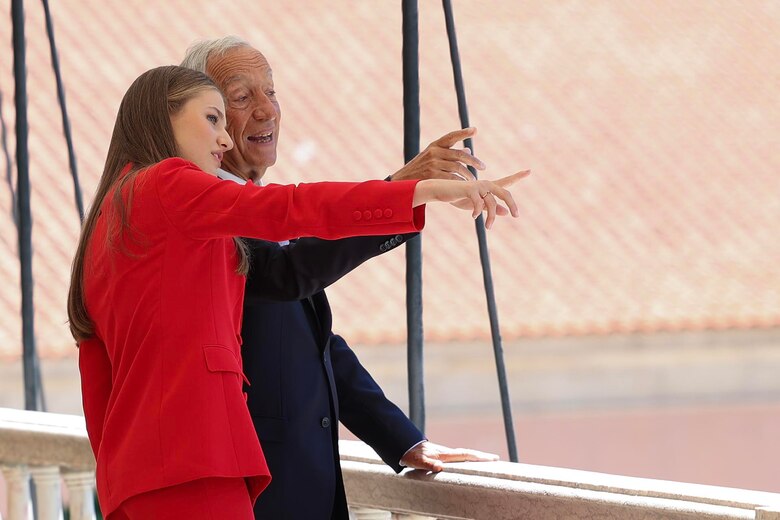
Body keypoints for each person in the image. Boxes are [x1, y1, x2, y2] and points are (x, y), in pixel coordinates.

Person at [68, 65, 522, 519]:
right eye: (213, 118)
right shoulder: (167, 184)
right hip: (194, 466)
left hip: (137, 477)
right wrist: (417, 192)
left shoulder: (110, 217)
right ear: (161, 117)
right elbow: (290, 209)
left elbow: (97, 372)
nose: (225, 140)